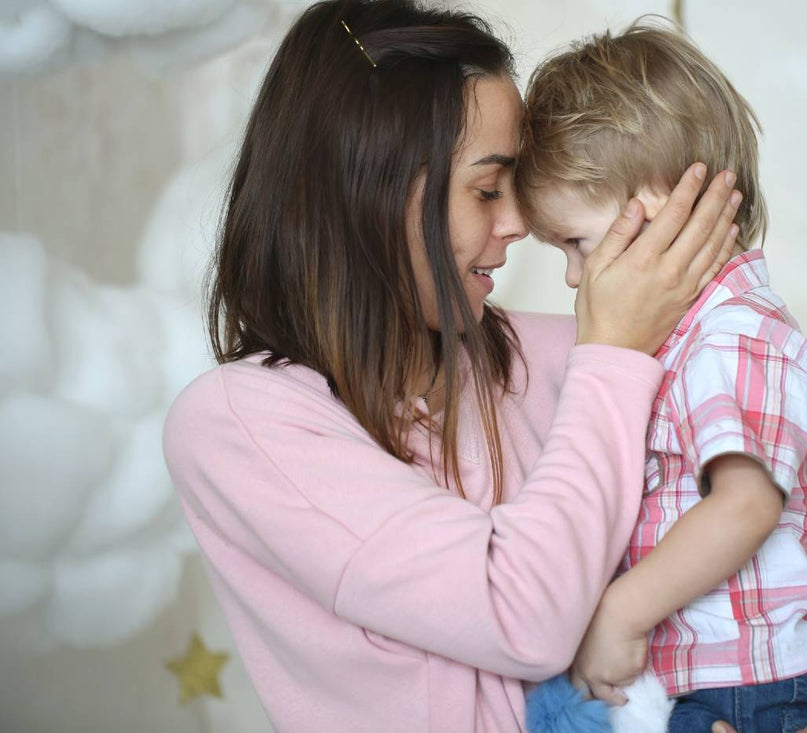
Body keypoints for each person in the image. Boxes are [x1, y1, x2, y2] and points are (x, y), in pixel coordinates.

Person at [161, 1, 764, 731]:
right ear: (369, 192)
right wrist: (612, 352)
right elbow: (525, 617)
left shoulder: (586, 357)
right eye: (486, 190)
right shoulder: (238, 424)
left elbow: (768, 540)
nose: (519, 224)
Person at [515, 20, 807, 733]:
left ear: (664, 210)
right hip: (723, 670)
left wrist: (622, 612)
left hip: (753, 680)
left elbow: (745, 507)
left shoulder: (734, 337)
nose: (574, 276)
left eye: (577, 242)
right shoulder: (685, 341)